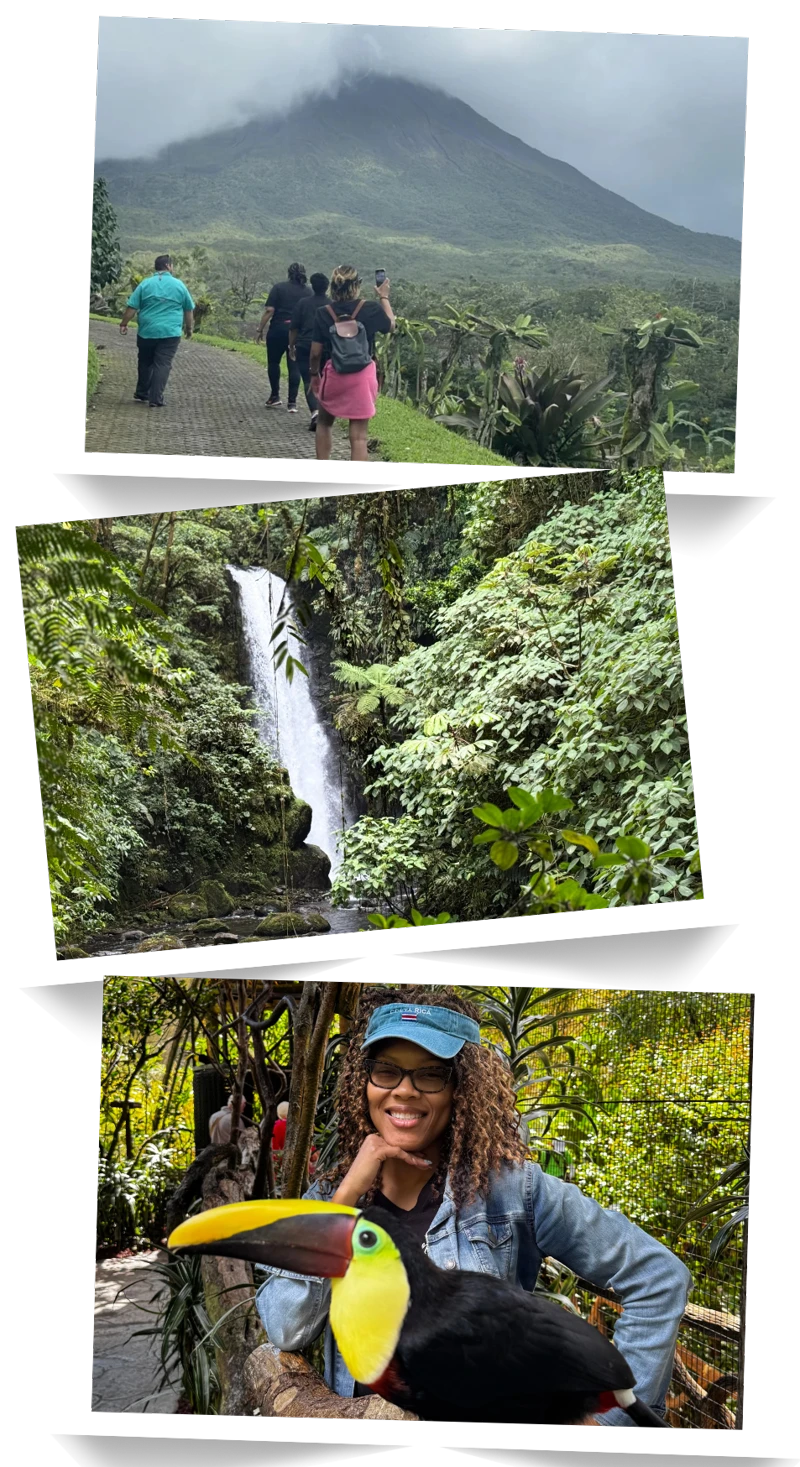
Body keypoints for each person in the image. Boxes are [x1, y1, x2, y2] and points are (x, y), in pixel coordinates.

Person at [256, 985, 692, 1427]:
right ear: (364, 1082)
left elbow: (658, 1277)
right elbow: (286, 1328)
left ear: (460, 1088)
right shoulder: (330, 1197)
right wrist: (345, 1198)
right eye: (386, 1071)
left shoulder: (511, 1190)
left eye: (430, 1075)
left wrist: (614, 1422)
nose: (404, 1092)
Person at [308, 265, 395, 463]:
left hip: (335, 375)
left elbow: (315, 353)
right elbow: (391, 325)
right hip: (363, 377)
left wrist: (314, 374)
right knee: (359, 437)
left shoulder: (324, 312)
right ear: (357, 286)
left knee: (324, 423)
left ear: (332, 287)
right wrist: (384, 297)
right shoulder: (370, 309)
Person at [118, 254, 194, 408]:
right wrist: (189, 328)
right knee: (163, 363)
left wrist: (124, 323)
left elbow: (132, 307)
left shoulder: (145, 284)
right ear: (168, 266)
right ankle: (156, 398)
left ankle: (142, 392)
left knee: (145, 361)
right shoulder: (179, 285)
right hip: (170, 332)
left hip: (147, 331)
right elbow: (188, 310)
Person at [257, 263, 312, 411]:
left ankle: (274, 396)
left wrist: (260, 329)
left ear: (289, 274)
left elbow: (269, 310)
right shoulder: (309, 292)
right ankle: (292, 403)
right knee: (294, 366)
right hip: (298, 332)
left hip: (278, 329)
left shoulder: (279, 288)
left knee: (273, 363)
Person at [288, 273, 330, 432]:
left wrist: (291, 345)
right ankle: (324, 412)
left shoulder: (303, 303)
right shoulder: (331, 305)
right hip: (327, 347)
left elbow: (294, 327)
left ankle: (315, 412)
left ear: (313, 286)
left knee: (308, 379)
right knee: (325, 379)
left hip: (305, 345)